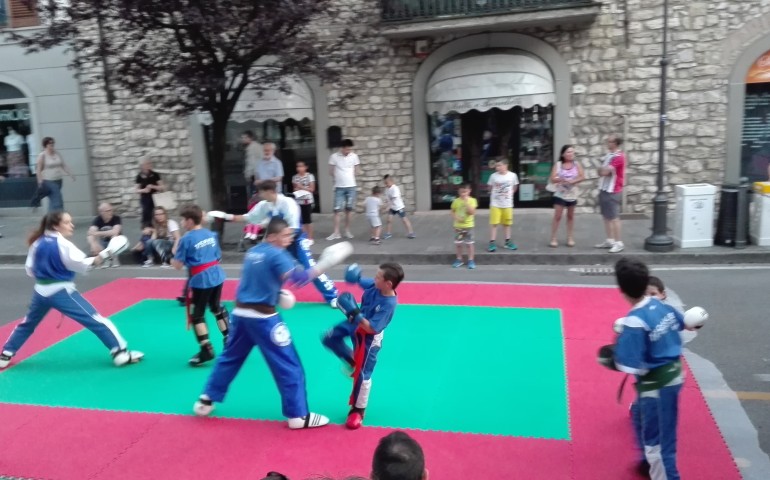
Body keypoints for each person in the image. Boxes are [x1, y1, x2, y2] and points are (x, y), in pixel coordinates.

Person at [193, 217, 350, 429]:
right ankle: (298, 415)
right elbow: (299, 279)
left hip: (240, 315)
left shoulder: (253, 252)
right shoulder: (277, 254)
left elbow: (257, 281)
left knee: (229, 358)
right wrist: (326, 263)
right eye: (285, 235)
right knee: (288, 364)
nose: (289, 239)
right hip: (263, 319)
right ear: (273, 236)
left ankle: (206, 400)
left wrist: (276, 294)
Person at [0, 212, 143, 370]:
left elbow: (30, 270)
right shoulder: (63, 244)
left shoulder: (37, 242)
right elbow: (85, 264)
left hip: (40, 292)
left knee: (27, 324)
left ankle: (5, 355)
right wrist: (108, 253)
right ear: (56, 226)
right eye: (67, 222)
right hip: (61, 291)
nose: (72, 225)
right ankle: (120, 353)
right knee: (96, 320)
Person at [612, 258, 686, 479]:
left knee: (660, 445)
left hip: (657, 386)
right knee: (637, 413)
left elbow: (626, 363)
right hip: (673, 375)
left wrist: (615, 347)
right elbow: (683, 323)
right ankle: (646, 462)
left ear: (621, 291)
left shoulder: (634, 321)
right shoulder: (661, 305)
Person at [223, 180, 339, 307]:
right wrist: (226, 217)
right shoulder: (263, 205)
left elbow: (294, 228)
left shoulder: (288, 203)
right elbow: (248, 217)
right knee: (266, 265)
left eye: (261, 192)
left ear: (270, 191)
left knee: (309, 267)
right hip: (278, 242)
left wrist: (279, 245)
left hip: (296, 239)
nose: (259, 195)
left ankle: (333, 296)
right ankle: (262, 295)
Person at [322, 262, 404, 429]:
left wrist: (353, 312)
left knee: (363, 374)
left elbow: (371, 328)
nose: (374, 279)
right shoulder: (376, 286)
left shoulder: (388, 304)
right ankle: (352, 360)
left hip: (368, 337)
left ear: (388, 284)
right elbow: (363, 282)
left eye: (378, 277)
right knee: (329, 338)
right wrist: (356, 277)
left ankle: (358, 410)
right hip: (355, 324)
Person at [171, 204, 229, 366]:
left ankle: (206, 349)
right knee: (216, 307)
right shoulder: (211, 234)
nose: (182, 222)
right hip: (217, 275)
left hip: (201, 280)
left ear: (190, 221)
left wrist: (168, 255)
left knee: (197, 315)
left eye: (183, 220)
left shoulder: (186, 239)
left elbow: (177, 265)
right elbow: (218, 256)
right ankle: (229, 339)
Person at [549, 145, 585, 248]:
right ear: (563, 154)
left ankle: (570, 237)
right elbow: (552, 178)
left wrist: (573, 181)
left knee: (570, 216)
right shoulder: (558, 164)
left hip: (572, 193)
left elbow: (582, 177)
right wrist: (561, 179)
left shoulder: (576, 164)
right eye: (568, 152)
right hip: (560, 193)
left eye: (572, 152)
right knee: (558, 216)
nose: (571, 154)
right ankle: (553, 238)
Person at [595, 134, 626, 253]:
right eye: (608, 141)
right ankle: (610, 240)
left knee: (614, 217)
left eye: (610, 142)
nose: (608, 143)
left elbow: (604, 172)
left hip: (613, 190)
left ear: (616, 143)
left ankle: (619, 243)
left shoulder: (619, 157)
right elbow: (602, 172)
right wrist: (602, 170)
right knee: (606, 216)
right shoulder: (609, 155)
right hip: (604, 188)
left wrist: (602, 170)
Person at [327, 139, 361, 240]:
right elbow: (331, 171)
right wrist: (339, 177)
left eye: (350, 149)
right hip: (339, 187)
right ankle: (336, 232)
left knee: (349, 210)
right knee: (337, 210)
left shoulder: (354, 156)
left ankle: (347, 231)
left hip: (351, 187)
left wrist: (350, 177)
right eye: (346, 149)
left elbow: (357, 170)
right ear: (342, 148)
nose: (348, 151)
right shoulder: (334, 157)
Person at [31, 136, 75, 212]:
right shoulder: (42, 155)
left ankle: (50, 217)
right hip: (48, 181)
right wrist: (40, 182)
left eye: (53, 143)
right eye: (50, 143)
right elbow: (38, 170)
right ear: (45, 145)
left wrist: (71, 174)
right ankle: (60, 216)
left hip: (58, 180)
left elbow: (63, 165)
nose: (52, 144)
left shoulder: (57, 153)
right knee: (58, 200)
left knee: (53, 201)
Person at [487, 158, 519, 252]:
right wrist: (495, 195)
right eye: (496, 165)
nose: (497, 167)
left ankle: (507, 241)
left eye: (499, 165)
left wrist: (510, 194)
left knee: (507, 224)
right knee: (494, 224)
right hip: (495, 204)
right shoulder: (493, 176)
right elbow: (489, 187)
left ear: (506, 165)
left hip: (507, 204)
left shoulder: (513, 175)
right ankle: (492, 242)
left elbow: (515, 186)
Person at [87, 202, 123, 267]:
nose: (111, 212)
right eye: (108, 211)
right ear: (101, 212)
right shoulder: (98, 219)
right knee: (91, 237)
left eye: (111, 210)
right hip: (103, 243)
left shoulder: (116, 218)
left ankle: (113, 258)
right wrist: (93, 245)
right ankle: (103, 258)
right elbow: (90, 233)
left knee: (114, 237)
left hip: (117, 244)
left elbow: (115, 232)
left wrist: (97, 233)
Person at [451, 184, 477, 269]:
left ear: (469, 191)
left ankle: (471, 260)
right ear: (458, 192)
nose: (463, 194)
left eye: (465, 192)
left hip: (468, 226)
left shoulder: (472, 200)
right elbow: (452, 211)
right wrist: (456, 217)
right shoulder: (456, 201)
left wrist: (466, 203)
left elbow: (472, 212)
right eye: (461, 192)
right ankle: (459, 259)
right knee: (458, 243)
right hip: (458, 227)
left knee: (469, 244)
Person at [382, 174, 416, 240]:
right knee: (389, 220)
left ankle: (411, 232)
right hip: (392, 208)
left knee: (404, 220)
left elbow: (393, 199)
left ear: (391, 181)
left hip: (398, 207)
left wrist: (388, 207)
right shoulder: (387, 189)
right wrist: (385, 204)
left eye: (387, 183)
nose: (386, 184)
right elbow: (388, 199)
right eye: (385, 183)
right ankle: (388, 233)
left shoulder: (395, 188)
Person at [135, 157, 165, 227]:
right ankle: (146, 228)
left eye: (149, 163)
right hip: (145, 199)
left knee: (156, 214)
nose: (149, 165)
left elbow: (162, 187)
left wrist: (153, 186)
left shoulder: (155, 175)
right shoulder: (139, 176)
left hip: (156, 198)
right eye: (147, 164)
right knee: (146, 215)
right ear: (142, 166)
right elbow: (136, 190)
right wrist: (144, 190)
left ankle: (158, 228)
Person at [292, 160, 316, 244]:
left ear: (305, 167)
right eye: (298, 166)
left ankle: (310, 238)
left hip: (307, 200)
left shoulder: (310, 176)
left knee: (308, 220)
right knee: (301, 221)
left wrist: (301, 187)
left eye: (301, 166)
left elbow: (312, 189)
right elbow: (294, 188)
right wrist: (297, 189)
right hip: (299, 200)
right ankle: (304, 237)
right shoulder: (295, 177)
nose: (299, 168)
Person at [242, 131, 263, 198]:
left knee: (254, 195)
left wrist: (248, 174)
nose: (243, 139)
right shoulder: (257, 146)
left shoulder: (252, 148)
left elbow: (251, 162)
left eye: (245, 137)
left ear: (250, 138)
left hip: (255, 174)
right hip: (258, 173)